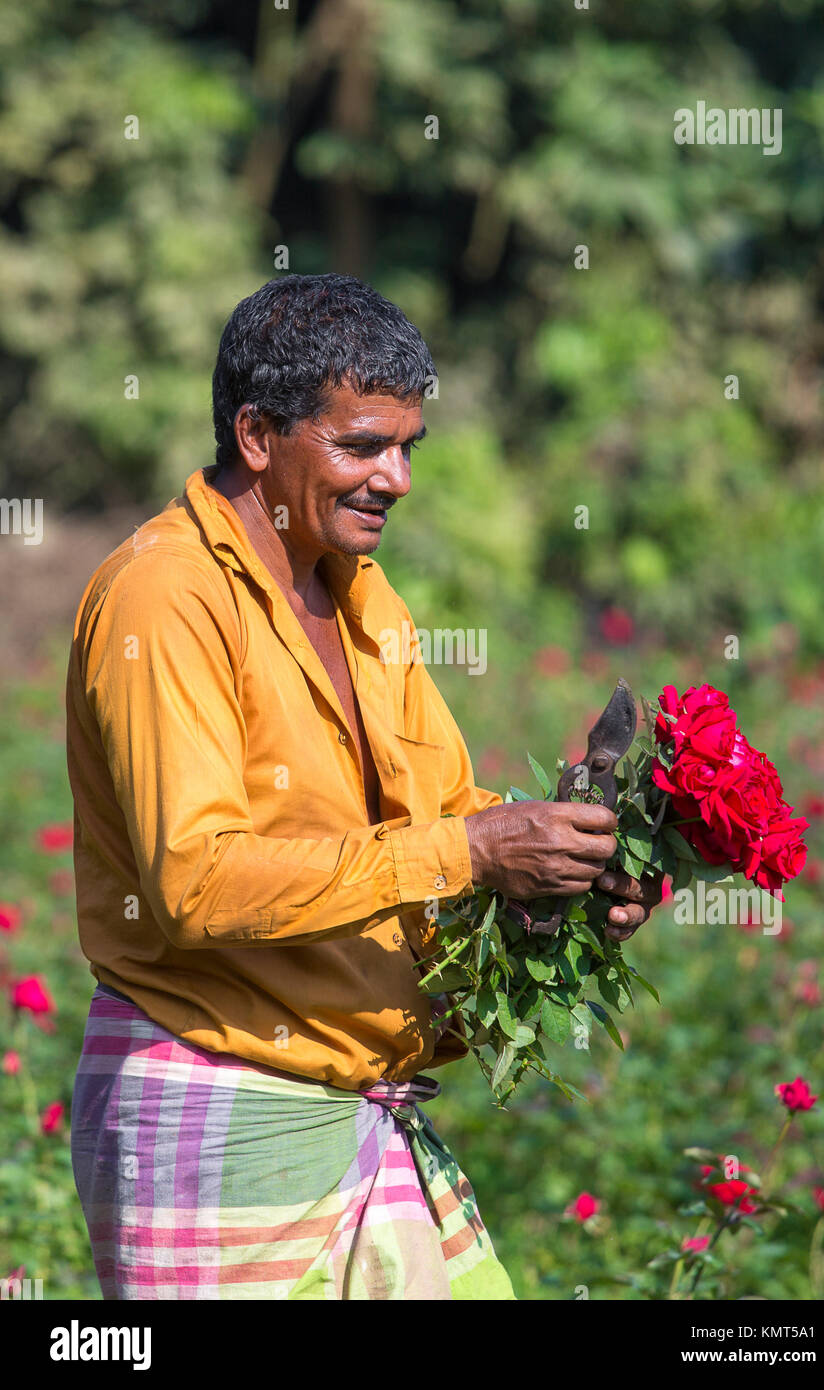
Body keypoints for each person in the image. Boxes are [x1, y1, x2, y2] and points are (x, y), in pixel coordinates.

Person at [65, 273, 661, 1300]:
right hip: (219, 1111)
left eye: (407, 448)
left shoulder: (359, 595)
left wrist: (560, 879)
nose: (397, 478)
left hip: (362, 1105)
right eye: (362, 445)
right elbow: (196, 884)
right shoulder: (166, 594)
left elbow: (440, 821)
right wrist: (475, 850)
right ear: (257, 435)